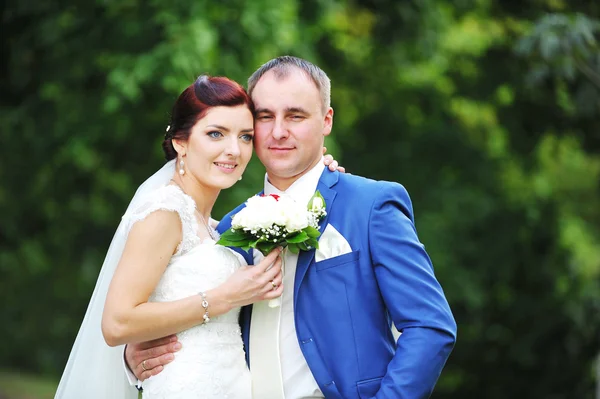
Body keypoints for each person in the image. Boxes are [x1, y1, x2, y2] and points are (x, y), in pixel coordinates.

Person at [127, 56, 457, 398]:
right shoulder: (228, 229)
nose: (279, 131)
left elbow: (430, 326)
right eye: (265, 117)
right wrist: (134, 353)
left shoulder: (369, 205)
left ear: (326, 120)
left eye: (295, 116)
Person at [54, 74, 342, 399]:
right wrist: (222, 298)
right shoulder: (165, 213)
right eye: (215, 134)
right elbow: (117, 322)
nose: (233, 150)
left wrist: (316, 168)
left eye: (245, 137)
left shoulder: (220, 227)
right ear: (180, 141)